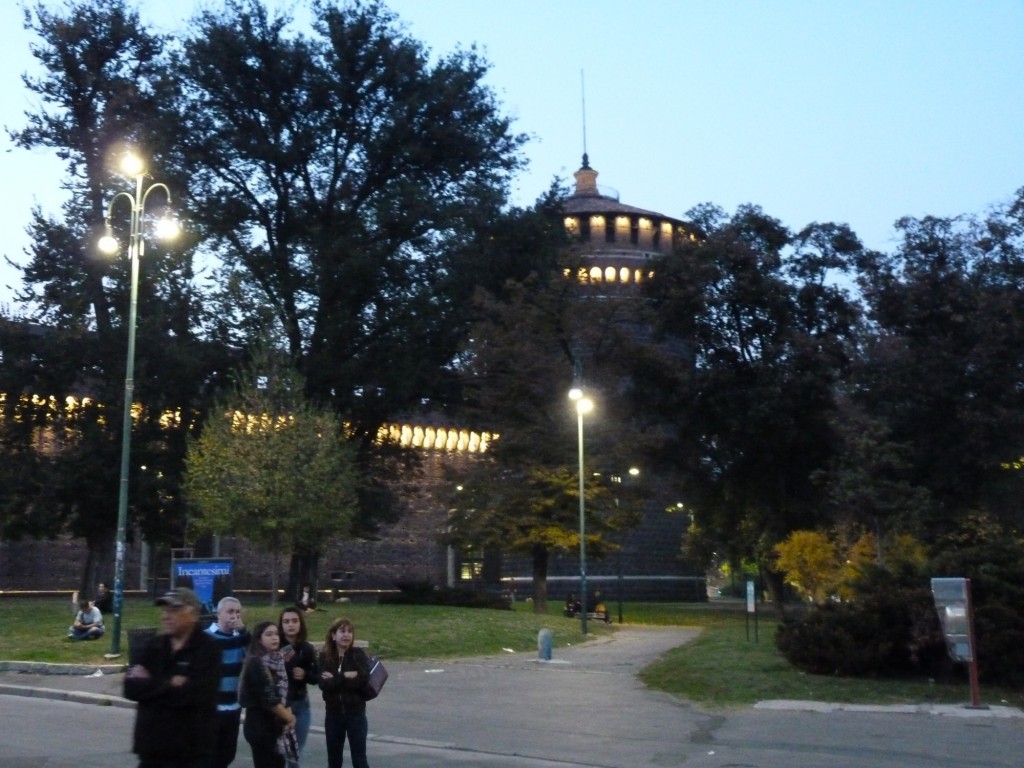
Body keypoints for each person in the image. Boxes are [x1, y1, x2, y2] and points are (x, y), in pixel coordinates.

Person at [123, 587, 221, 768]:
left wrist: (150, 685)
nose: (166, 616)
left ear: (193, 614)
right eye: (165, 610)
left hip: (190, 754)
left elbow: (194, 695)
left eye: (175, 610)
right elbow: (130, 688)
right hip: (152, 752)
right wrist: (170, 684)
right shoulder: (154, 646)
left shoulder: (207, 649)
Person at [240, 621, 297, 768]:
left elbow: (284, 690)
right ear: (259, 639)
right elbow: (269, 699)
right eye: (269, 634)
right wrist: (290, 718)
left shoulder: (277, 660)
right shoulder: (256, 663)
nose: (274, 638)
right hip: (260, 726)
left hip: (275, 726)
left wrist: (288, 709)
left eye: (276, 634)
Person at [318, 617, 371, 768]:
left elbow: (363, 679)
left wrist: (335, 679)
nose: (346, 635)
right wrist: (346, 676)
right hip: (333, 715)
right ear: (333, 635)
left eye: (349, 631)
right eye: (342, 631)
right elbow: (324, 684)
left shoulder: (358, 654)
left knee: (359, 759)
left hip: (356, 714)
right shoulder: (325, 657)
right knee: (334, 760)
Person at [206, 596, 250, 768]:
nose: (235, 616)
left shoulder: (241, 638)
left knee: (227, 755)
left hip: (233, 707)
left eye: (238, 612)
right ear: (219, 614)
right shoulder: (206, 637)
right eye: (230, 611)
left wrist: (244, 632)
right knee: (209, 756)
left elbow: (255, 656)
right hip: (212, 707)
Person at [278, 607, 318, 766]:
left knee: (294, 754)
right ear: (281, 625)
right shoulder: (275, 646)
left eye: (294, 621)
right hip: (280, 706)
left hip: (300, 704)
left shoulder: (306, 648)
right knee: (278, 755)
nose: (291, 625)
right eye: (286, 621)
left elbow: (317, 677)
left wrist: (305, 674)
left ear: (300, 624)